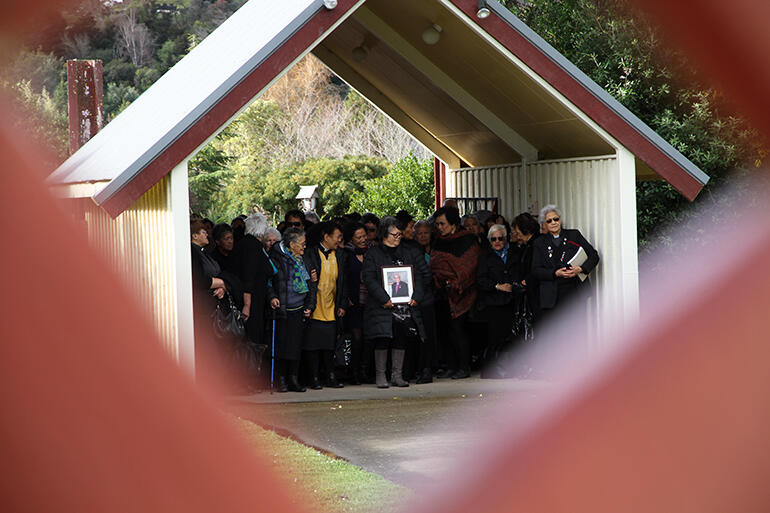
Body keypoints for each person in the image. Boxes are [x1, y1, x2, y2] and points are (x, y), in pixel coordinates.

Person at [362, 217, 428, 388]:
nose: (398, 237)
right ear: (384, 234)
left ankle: (397, 375)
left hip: (405, 306)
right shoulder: (373, 253)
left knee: (401, 338)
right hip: (381, 306)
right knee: (382, 339)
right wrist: (384, 298)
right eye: (394, 234)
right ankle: (380, 376)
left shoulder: (410, 252)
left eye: (400, 234)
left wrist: (417, 295)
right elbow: (369, 279)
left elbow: (421, 275)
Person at [430, 206, 480, 379]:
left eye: (442, 224)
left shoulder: (467, 240)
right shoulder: (438, 240)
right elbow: (435, 263)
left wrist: (456, 283)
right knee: (445, 332)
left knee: (459, 331)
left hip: (462, 295)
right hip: (441, 293)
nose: (439, 227)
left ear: (453, 224)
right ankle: (450, 366)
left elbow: (469, 267)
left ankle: (464, 367)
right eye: (437, 224)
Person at [267, 227, 317, 393]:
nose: (304, 247)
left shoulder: (304, 260)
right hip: (282, 308)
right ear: (292, 244)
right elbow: (269, 283)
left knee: (295, 345)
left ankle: (293, 379)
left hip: (299, 308)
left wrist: (310, 306)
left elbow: (311, 284)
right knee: (281, 345)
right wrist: (272, 297)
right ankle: (281, 379)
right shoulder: (277, 258)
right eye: (301, 244)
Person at [532, 205, 599, 323]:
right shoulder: (539, 243)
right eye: (549, 221)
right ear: (544, 224)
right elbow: (536, 270)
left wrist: (580, 269)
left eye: (556, 219)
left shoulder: (574, 235)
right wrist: (555, 273)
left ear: (560, 220)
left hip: (575, 292)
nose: (553, 223)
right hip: (552, 296)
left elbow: (594, 256)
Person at [303, 222, 348, 389]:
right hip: (315, 305)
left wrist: (343, 304)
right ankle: (314, 378)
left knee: (330, 346)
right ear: (326, 236)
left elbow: (344, 282)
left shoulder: (341, 255)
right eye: (337, 236)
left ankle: (331, 376)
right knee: (313, 345)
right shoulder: (311, 253)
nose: (339, 240)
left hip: (331, 306)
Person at [476, 224, 521, 378]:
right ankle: (490, 370)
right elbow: (480, 280)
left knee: (512, 336)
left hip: (512, 300)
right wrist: (497, 286)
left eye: (500, 238)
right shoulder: (485, 256)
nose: (497, 242)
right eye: (493, 239)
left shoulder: (515, 252)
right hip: (494, 302)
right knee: (494, 337)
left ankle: (510, 369)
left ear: (506, 238)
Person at [232, 213, 274, 363]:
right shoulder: (253, 247)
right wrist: (247, 305)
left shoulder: (245, 244)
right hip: (251, 300)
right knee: (251, 338)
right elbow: (248, 277)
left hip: (253, 298)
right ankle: (249, 376)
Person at [342, 222, 370, 384]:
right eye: (359, 237)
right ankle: (353, 372)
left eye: (364, 236)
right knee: (356, 338)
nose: (363, 240)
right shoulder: (346, 254)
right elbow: (342, 279)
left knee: (368, 338)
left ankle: (364, 371)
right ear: (351, 239)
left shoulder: (372, 252)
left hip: (370, 302)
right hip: (353, 302)